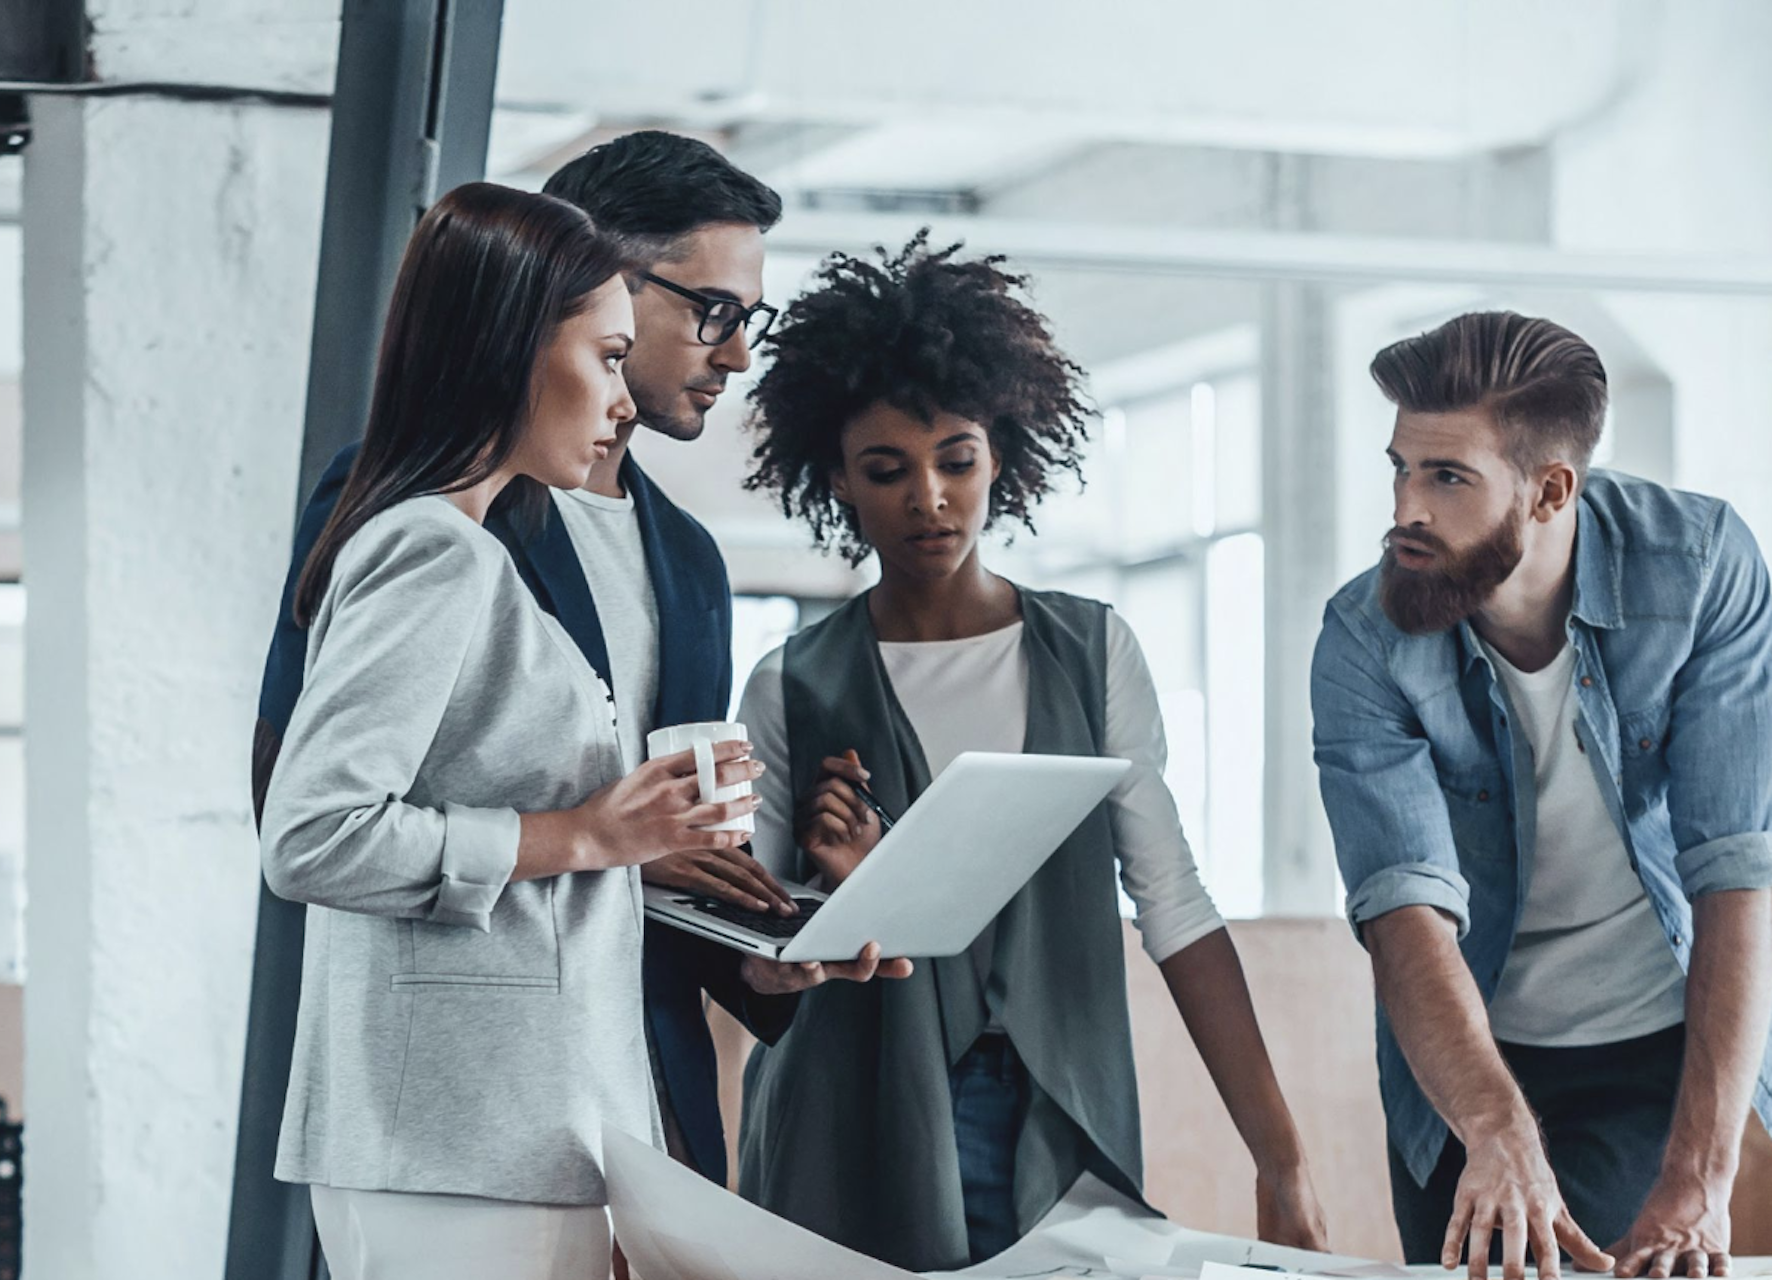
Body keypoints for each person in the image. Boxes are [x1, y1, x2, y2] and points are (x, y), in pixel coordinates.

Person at [253, 131, 894, 1195]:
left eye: (751, 319)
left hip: (645, 1080)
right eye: (714, 310)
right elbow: (302, 807)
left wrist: (762, 940)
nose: (736, 353)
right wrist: (588, 842)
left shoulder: (687, 558)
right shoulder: (418, 510)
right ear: (594, 280)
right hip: (464, 1101)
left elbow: (663, 843)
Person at [732, 235, 1329, 1272]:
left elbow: (1174, 902)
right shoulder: (794, 682)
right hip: (854, 1122)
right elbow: (758, 958)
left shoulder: (1090, 651)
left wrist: (1280, 1157)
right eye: (888, 470)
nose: (930, 497)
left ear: (1000, 454)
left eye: (956, 459)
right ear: (836, 479)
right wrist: (838, 901)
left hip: (1058, 1109)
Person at [1310, 311, 1772, 1280]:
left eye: (1447, 477)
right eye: (1400, 467)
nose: (1405, 508)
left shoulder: (1698, 573)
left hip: (1663, 1037)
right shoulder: (1364, 636)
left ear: (1552, 490)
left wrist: (1700, 1172)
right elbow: (1404, 914)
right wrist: (1493, 1124)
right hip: (1467, 1051)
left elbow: (1737, 869)